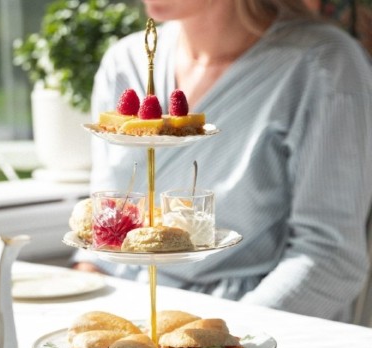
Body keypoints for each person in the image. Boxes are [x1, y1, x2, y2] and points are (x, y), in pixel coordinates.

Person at [73, 0, 372, 323]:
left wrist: (222, 338)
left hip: (249, 325)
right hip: (128, 319)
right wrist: (78, 307)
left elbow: (330, 257)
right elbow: (106, 235)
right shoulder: (125, 62)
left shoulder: (324, 64)